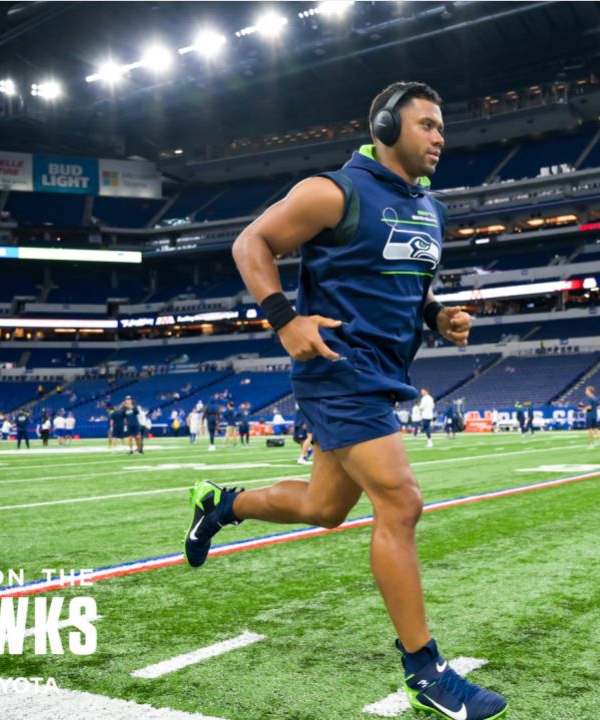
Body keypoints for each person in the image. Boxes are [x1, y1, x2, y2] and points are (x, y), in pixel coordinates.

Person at [185, 81, 505, 719]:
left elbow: (405, 285)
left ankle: (222, 504)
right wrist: (284, 319)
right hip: (337, 370)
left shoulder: (430, 210)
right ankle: (424, 670)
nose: (441, 137)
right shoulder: (333, 190)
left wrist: (438, 317)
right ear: (387, 127)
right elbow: (251, 243)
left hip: (382, 375)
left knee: (323, 507)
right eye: (427, 125)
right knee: (401, 501)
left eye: (442, 127)